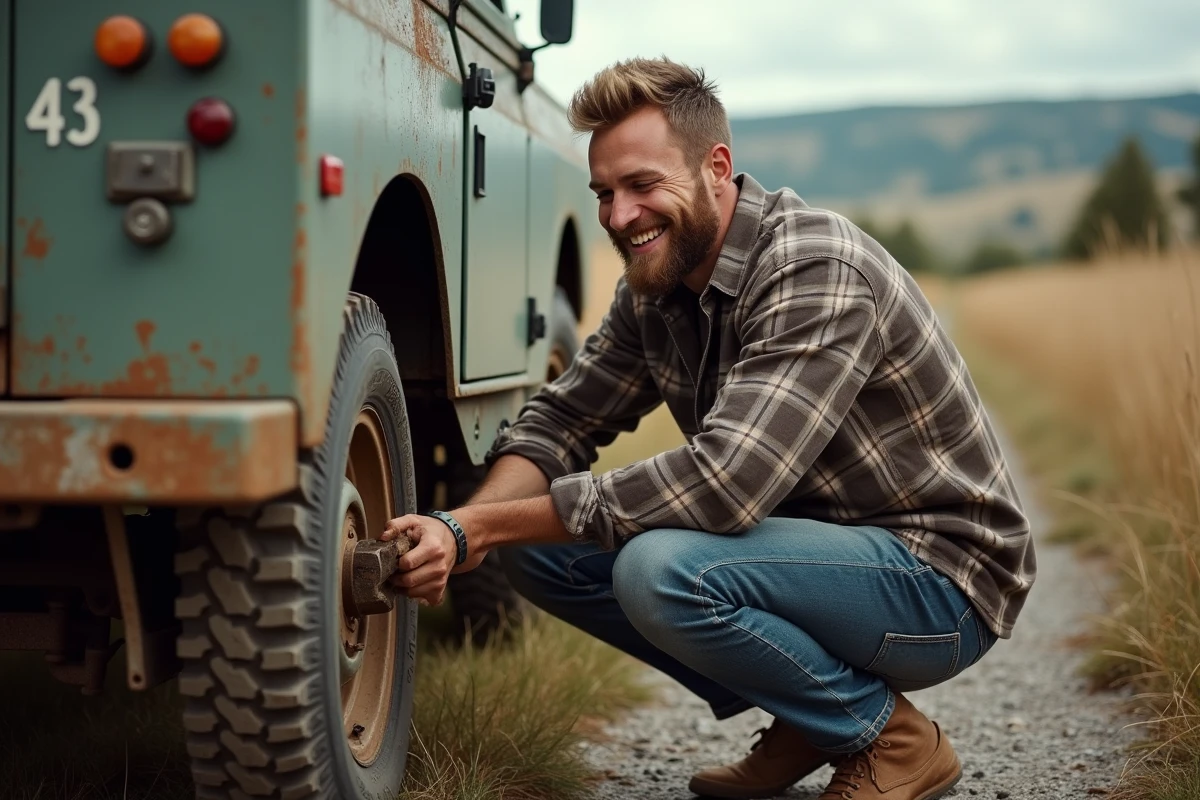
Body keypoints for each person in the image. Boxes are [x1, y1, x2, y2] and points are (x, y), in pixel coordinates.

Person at [381, 56, 1035, 800]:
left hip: (936, 582)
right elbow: (562, 418)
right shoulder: (658, 288)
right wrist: (467, 524)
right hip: (812, 558)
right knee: (533, 556)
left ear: (715, 167)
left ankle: (888, 737)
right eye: (603, 193)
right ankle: (812, 717)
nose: (618, 217)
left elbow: (726, 484)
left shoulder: (813, 266)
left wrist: (479, 531)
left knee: (658, 570)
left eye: (642, 186)